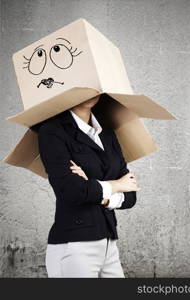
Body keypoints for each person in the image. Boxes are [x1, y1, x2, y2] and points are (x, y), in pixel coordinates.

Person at [37, 94, 140, 277]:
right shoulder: (53, 132)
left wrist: (98, 192)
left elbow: (131, 193)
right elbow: (72, 192)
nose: (89, 90)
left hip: (109, 242)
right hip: (74, 245)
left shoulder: (107, 133)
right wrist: (116, 184)